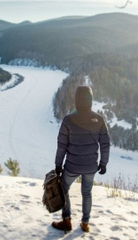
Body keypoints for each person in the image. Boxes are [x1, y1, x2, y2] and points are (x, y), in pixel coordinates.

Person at [52, 85, 110, 233]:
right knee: (87, 193)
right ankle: (85, 223)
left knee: (63, 189)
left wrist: (58, 165)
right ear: (90, 100)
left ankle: (67, 220)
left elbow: (61, 146)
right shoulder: (99, 119)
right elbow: (105, 144)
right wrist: (103, 163)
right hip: (91, 166)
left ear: (76, 99)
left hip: (72, 166)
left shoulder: (68, 120)